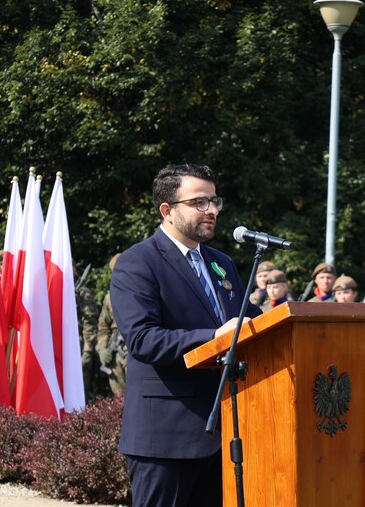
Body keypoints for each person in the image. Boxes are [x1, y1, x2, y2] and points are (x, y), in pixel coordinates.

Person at [110, 164, 261, 506]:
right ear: (168, 210)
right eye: (200, 202)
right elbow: (144, 339)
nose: (213, 210)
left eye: (214, 200)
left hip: (226, 433)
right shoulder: (138, 263)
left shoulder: (222, 263)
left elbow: (250, 322)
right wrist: (215, 336)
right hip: (166, 437)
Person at [97, 253, 127, 396]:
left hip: (135, 353)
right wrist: (102, 349)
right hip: (115, 354)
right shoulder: (109, 298)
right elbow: (103, 327)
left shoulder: (143, 292)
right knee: (118, 401)